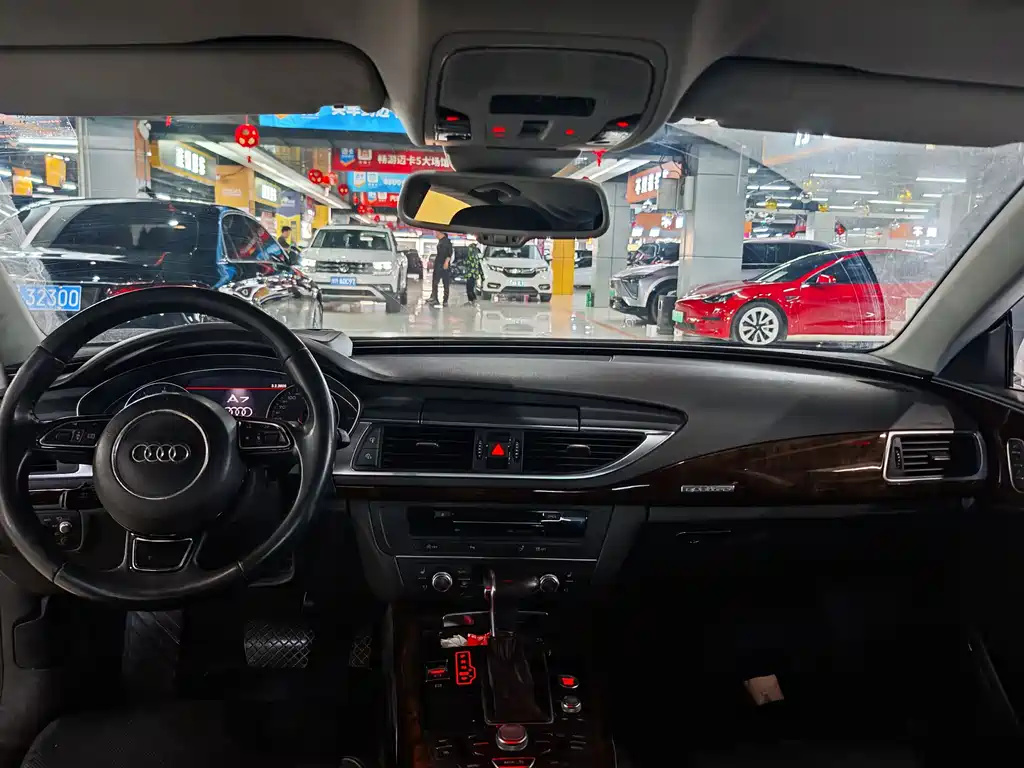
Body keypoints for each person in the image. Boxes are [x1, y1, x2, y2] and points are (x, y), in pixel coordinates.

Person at [430, 232, 453, 306]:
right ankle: (435, 299)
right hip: (438, 265)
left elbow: (449, 253)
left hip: (443, 265)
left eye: (437, 233)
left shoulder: (447, 242)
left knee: (445, 283)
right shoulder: (441, 241)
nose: (436, 235)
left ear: (441, 234)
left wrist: (446, 262)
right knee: (435, 282)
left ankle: (445, 300)